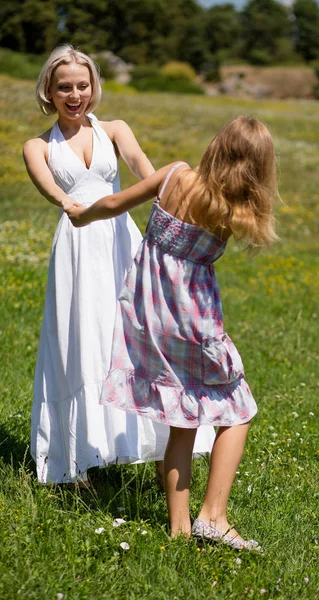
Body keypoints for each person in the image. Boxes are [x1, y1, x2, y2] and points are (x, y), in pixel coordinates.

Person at [66, 116, 277, 549]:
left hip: (148, 317)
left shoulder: (174, 175)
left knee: (183, 419)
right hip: (193, 322)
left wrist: (80, 214)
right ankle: (212, 516)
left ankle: (180, 529)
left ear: (216, 145)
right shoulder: (229, 207)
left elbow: (114, 203)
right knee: (238, 411)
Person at [23, 44, 215, 485]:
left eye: (82, 85)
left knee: (133, 333)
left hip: (121, 241)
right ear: (48, 92)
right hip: (76, 244)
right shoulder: (37, 146)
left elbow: (145, 171)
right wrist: (73, 206)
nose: (75, 95)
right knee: (80, 337)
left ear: (94, 87)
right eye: (64, 87)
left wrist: (182, 201)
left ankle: (152, 437)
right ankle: (76, 457)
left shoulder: (115, 128)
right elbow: (51, 188)